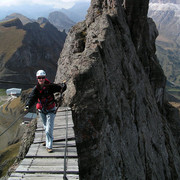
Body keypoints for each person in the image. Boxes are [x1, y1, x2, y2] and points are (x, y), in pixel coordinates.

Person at [24, 70, 66, 153]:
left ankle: (49, 146)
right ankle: (48, 140)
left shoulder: (50, 86)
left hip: (51, 109)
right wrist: (27, 105)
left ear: (45, 78)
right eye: (39, 78)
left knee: (49, 128)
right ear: (37, 78)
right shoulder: (36, 89)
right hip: (42, 110)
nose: (41, 79)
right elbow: (31, 97)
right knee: (45, 126)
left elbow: (60, 88)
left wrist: (64, 85)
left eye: (43, 77)